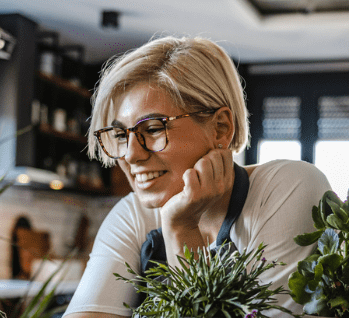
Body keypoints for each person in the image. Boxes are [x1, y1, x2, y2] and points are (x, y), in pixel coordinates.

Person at [62, 36, 332, 318]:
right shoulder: (132, 215)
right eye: (120, 135)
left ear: (221, 128)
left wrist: (181, 230)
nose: (130, 156)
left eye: (153, 129)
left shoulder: (288, 187)